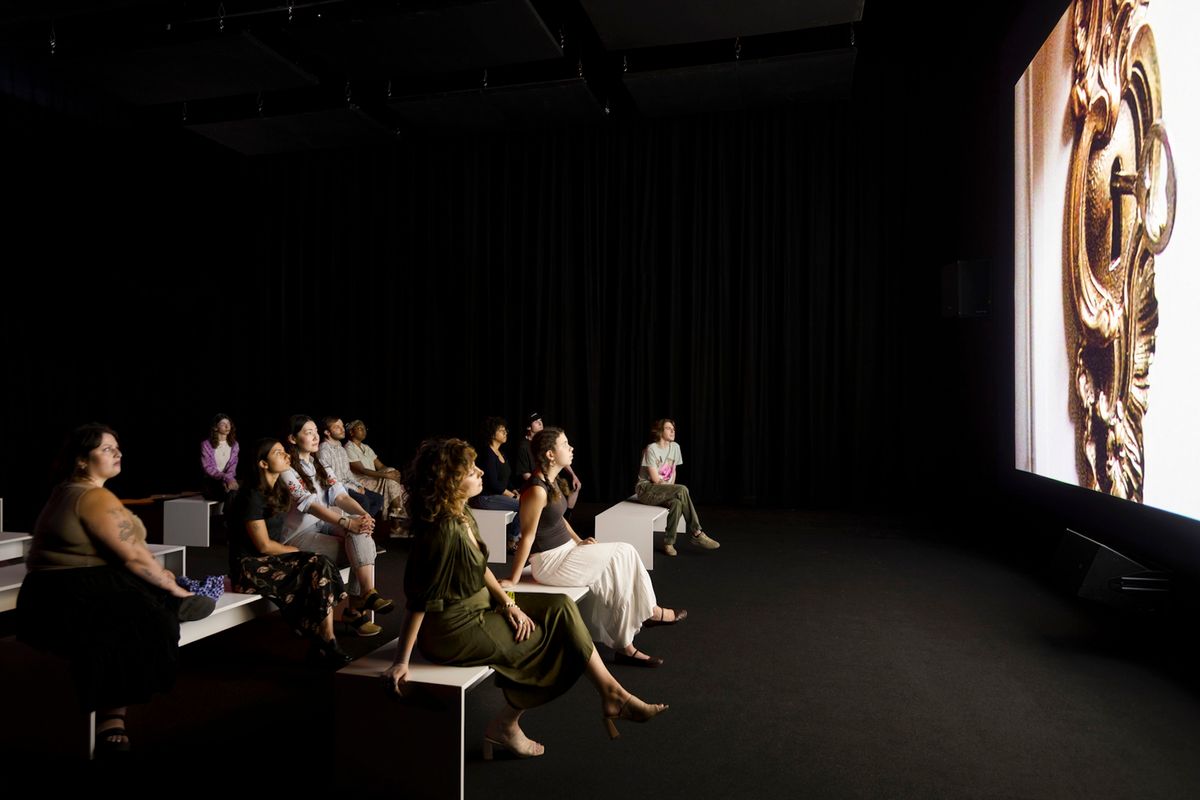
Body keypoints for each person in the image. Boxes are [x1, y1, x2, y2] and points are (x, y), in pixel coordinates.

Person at [384, 438, 667, 757]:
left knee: (561, 607)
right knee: (551, 640)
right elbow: (418, 600)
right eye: (470, 470)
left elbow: (480, 567)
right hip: (454, 631)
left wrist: (508, 603)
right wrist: (400, 661)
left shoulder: (461, 512)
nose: (480, 473)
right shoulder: (443, 531)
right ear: (449, 481)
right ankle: (507, 725)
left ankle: (612, 693)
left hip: (480, 605)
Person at [17, 424, 214, 757]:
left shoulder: (70, 489)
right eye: (107, 449)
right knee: (138, 623)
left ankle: (113, 716)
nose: (117, 453)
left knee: (139, 608)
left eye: (117, 447)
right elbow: (133, 555)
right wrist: (175, 590)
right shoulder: (90, 495)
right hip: (67, 594)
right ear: (82, 460)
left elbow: (123, 551)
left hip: (55, 592)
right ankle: (111, 720)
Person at [505, 427, 685, 667]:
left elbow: (559, 520)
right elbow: (526, 537)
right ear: (550, 454)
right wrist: (513, 578)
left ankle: (637, 628)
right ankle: (639, 627)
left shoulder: (552, 481)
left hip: (567, 550)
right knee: (619, 555)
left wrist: (579, 541)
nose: (571, 448)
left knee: (626, 554)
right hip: (549, 562)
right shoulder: (537, 490)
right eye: (565, 444)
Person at [228, 438, 352, 667]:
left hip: (272, 560)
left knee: (320, 563)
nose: (286, 455)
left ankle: (324, 640)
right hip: (249, 566)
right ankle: (324, 640)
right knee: (316, 564)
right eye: (278, 453)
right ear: (263, 464)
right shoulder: (251, 495)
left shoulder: (278, 490)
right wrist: (296, 551)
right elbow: (264, 546)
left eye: (285, 451)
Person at [280, 415, 393, 637]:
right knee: (358, 548)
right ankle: (355, 610)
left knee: (361, 533)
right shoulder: (286, 468)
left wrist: (363, 516)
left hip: (324, 524)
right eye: (308, 432)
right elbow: (309, 504)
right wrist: (346, 521)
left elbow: (340, 496)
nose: (315, 436)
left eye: (315, 431)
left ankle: (368, 594)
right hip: (299, 534)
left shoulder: (319, 464)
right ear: (292, 439)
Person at [635, 419, 720, 556]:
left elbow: (673, 471)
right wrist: (673, 489)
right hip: (646, 490)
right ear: (660, 431)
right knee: (681, 489)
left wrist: (671, 489)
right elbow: (655, 479)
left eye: (673, 428)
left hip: (662, 490)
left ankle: (669, 543)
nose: (673, 431)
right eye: (668, 428)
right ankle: (697, 533)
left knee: (677, 502)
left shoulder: (675, 447)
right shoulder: (651, 449)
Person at [344, 419, 407, 536]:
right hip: (360, 482)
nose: (363, 431)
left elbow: (381, 466)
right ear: (351, 432)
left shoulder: (366, 447)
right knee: (390, 480)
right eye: (360, 428)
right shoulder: (348, 448)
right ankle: (396, 521)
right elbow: (361, 470)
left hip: (374, 479)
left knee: (391, 473)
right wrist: (387, 475)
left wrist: (393, 473)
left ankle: (396, 520)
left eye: (364, 429)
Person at [468, 416, 520, 550]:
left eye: (505, 430)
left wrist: (514, 490)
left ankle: (515, 537)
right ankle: (512, 539)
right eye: (502, 431)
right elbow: (492, 483)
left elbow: (506, 479)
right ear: (492, 434)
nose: (505, 433)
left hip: (497, 495)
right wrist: (512, 496)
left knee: (526, 503)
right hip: (485, 497)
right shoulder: (487, 453)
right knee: (524, 505)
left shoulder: (502, 453)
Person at [319, 416, 384, 519]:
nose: (342, 429)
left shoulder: (341, 449)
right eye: (337, 427)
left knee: (378, 499)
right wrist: (354, 488)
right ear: (327, 432)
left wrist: (358, 486)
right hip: (337, 488)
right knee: (364, 501)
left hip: (348, 484)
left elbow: (348, 473)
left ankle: (364, 525)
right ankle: (361, 528)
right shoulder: (323, 450)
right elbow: (332, 480)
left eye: (342, 426)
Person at [200, 413, 239, 503]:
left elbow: (233, 465)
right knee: (229, 493)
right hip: (212, 482)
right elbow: (208, 468)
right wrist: (225, 478)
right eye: (223, 424)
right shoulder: (206, 444)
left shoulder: (234, 445)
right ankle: (227, 516)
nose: (227, 426)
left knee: (238, 492)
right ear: (215, 427)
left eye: (228, 423)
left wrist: (229, 479)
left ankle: (228, 515)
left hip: (229, 480)